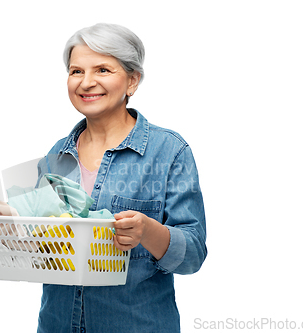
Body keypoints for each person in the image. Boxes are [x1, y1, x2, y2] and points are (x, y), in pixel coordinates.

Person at [36, 23, 207, 333]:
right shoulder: (56, 155)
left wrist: (148, 232)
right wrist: (6, 217)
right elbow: (39, 243)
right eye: (76, 71)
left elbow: (193, 255)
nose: (86, 83)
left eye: (102, 70)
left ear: (132, 80)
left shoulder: (169, 151)